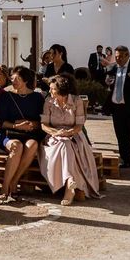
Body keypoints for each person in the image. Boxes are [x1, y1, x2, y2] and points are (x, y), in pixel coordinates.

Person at [39, 75, 100, 206]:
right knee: (64, 144)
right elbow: (44, 125)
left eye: (52, 89)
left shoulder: (77, 101)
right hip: (53, 136)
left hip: (74, 134)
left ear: (61, 89)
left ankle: (69, 184)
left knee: (67, 144)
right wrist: (57, 133)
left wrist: (68, 132)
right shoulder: (49, 101)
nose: (50, 91)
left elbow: (79, 126)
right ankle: (69, 182)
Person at [0, 66, 45, 201]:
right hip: (8, 133)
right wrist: (17, 125)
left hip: (29, 134)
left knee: (33, 145)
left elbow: (43, 120)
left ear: (26, 80)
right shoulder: (7, 96)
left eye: (17, 78)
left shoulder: (37, 97)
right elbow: (1, 122)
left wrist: (33, 124)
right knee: (17, 146)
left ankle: (14, 181)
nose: (14, 81)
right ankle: (5, 188)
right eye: (12, 78)